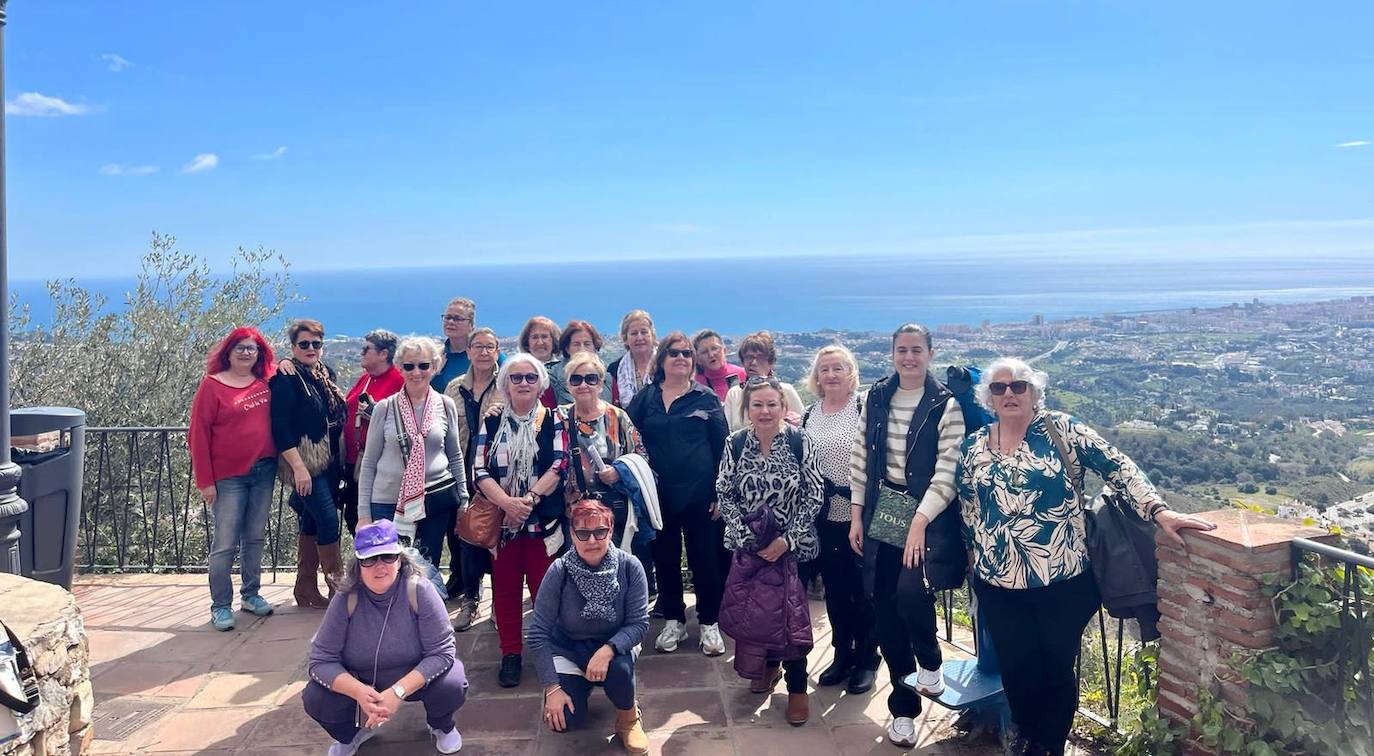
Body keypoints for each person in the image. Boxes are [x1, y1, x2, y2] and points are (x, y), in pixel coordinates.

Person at [956, 357, 1214, 756]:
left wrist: (1159, 510)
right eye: (999, 388)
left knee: (1056, 669)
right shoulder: (975, 446)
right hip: (997, 584)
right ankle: (1027, 736)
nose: (1009, 393)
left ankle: (1049, 744)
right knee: (1017, 667)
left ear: (1034, 392)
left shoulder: (1061, 430)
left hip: (1063, 580)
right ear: (989, 397)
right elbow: (970, 505)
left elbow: (1118, 466)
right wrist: (974, 552)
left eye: (1018, 386)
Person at [848, 323, 966, 748]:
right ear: (893, 353)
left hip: (926, 515)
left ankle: (930, 658)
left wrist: (921, 519)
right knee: (883, 604)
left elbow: (948, 471)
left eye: (917, 350)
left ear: (930, 354)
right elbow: (861, 456)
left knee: (912, 593)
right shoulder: (877, 397)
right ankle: (903, 705)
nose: (909, 357)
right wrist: (857, 514)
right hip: (883, 510)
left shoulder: (944, 405)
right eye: (902, 350)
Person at [304, 520, 467, 756]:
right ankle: (350, 734)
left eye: (388, 557)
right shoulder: (345, 599)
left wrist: (398, 692)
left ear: (399, 560)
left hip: (415, 677)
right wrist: (358, 692)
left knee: (453, 682)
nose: (379, 566)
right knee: (315, 697)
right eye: (369, 559)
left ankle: (441, 725)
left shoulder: (420, 590)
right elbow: (320, 660)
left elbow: (443, 652)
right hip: (362, 680)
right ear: (358, 565)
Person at [716, 377, 823, 726]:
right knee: (757, 613)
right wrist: (745, 534)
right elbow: (725, 493)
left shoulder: (798, 441)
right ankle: (768, 666)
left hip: (792, 549)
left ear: (783, 407)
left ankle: (796, 689)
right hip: (751, 548)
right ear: (748, 409)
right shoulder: (734, 444)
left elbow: (814, 494)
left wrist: (786, 540)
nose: (764, 411)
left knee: (791, 619)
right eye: (757, 405)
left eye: (771, 404)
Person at [626, 332, 729, 657]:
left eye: (686, 353)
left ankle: (709, 623)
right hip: (658, 498)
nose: (681, 357)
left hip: (700, 497)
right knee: (665, 560)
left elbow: (723, 448)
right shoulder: (646, 399)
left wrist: (719, 492)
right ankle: (674, 620)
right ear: (663, 360)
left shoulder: (705, 398)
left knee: (705, 561)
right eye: (674, 353)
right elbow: (628, 437)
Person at [471, 353, 568, 688]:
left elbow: (558, 464)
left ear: (540, 383)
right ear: (505, 384)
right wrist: (508, 504)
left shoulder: (553, 420)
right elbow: (479, 469)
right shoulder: (493, 422)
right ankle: (510, 653)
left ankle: (548, 652)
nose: (524, 383)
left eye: (530, 377)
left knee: (546, 592)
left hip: (542, 524)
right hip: (504, 526)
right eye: (516, 378)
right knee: (506, 591)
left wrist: (529, 500)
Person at [527, 499, 650, 755]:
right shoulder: (559, 571)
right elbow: (538, 634)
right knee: (566, 722)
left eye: (599, 532)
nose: (592, 540)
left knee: (620, 671)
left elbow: (639, 624)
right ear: (572, 534)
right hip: (568, 647)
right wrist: (552, 688)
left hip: (613, 644)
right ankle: (577, 685)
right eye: (583, 533)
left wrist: (608, 650)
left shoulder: (629, 567)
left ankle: (628, 717)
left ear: (610, 530)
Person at [799, 344, 879, 693]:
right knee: (835, 590)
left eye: (837, 368)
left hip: (860, 515)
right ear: (816, 376)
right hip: (824, 516)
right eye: (824, 369)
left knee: (863, 591)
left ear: (851, 373)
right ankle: (841, 653)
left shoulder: (864, 408)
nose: (830, 375)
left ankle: (867, 658)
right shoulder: (809, 414)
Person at [190, 327, 279, 630]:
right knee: (225, 543)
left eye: (252, 348)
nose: (245, 352)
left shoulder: (266, 382)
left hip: (263, 471)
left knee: (254, 537)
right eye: (240, 347)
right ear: (228, 351)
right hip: (228, 476)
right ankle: (221, 605)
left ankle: (251, 595)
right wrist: (205, 480)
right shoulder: (212, 386)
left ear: (260, 354)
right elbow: (198, 436)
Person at [357, 336, 468, 572]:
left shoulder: (446, 405)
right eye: (409, 366)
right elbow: (369, 464)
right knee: (389, 568)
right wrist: (363, 515)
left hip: (433, 500)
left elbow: (455, 456)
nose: (416, 372)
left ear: (434, 367)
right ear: (400, 368)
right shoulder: (385, 408)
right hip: (387, 501)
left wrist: (463, 499)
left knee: (427, 568)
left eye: (423, 365)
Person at [271, 319, 347, 609]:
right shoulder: (286, 380)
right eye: (304, 344)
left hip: (328, 462)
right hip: (304, 462)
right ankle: (338, 589)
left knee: (313, 519)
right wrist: (298, 468)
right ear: (293, 348)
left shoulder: (326, 374)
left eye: (316, 344)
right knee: (327, 519)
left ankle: (305, 589)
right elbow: (280, 428)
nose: (311, 349)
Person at [442, 327, 503, 631]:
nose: (482, 352)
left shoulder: (507, 383)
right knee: (467, 538)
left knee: (497, 539)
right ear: (467, 352)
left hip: (496, 476)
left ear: (496, 351)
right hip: (461, 473)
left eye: (488, 347)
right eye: (477, 346)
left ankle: (499, 603)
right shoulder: (453, 388)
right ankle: (471, 599)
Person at [340, 330, 404, 536]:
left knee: (372, 522)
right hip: (353, 462)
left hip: (378, 465)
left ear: (384, 354)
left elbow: (404, 418)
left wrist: (375, 412)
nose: (362, 353)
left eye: (366, 349)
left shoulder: (398, 381)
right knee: (354, 518)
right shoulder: (366, 379)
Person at [722, 331, 804, 431]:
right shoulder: (734, 394)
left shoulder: (786, 390)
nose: (753, 362)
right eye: (749, 357)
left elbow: (802, 427)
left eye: (760, 358)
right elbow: (727, 432)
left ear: (771, 362)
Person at [551, 319, 608, 404]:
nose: (582, 349)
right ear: (567, 349)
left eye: (587, 344)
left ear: (594, 347)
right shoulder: (552, 377)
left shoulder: (609, 380)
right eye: (576, 344)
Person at [606, 310, 656, 408]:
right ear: (625, 339)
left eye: (644, 332)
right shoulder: (614, 369)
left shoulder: (666, 363)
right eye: (634, 333)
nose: (639, 337)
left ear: (652, 335)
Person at [518, 316, 563, 408]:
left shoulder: (565, 370)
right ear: (527, 342)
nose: (540, 342)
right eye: (535, 337)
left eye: (544, 337)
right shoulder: (516, 370)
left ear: (553, 340)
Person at [692, 329, 747, 401]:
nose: (711, 355)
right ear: (698, 359)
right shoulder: (695, 385)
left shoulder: (743, 374)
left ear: (724, 350)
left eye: (715, 348)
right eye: (704, 352)